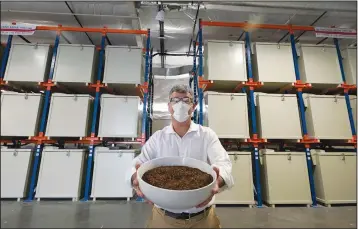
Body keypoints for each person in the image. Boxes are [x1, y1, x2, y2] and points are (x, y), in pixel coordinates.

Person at [129, 84, 234, 228]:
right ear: (169, 106)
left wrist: (218, 180)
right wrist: (135, 177)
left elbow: (224, 164)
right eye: (175, 100)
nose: (181, 105)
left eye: (186, 100)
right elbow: (138, 163)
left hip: (203, 218)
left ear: (194, 106)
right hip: (163, 218)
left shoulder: (207, 135)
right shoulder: (158, 138)